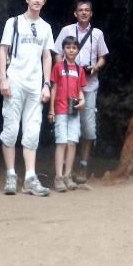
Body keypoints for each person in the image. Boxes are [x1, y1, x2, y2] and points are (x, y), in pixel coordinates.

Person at [0, 0, 53, 196]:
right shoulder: (13, 23)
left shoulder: (46, 28)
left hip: (34, 85)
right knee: (11, 129)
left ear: (44, 1)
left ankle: (30, 177)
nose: (37, 0)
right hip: (15, 81)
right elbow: (3, 51)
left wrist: (46, 84)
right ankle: (11, 175)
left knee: (32, 131)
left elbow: (47, 56)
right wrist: (3, 79)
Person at [54, 0, 109, 183]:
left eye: (87, 10)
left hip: (89, 86)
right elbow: (57, 54)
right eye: (80, 10)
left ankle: (82, 165)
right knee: (65, 124)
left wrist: (96, 67)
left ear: (91, 13)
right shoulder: (67, 31)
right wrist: (63, 74)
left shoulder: (98, 34)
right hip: (68, 87)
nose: (84, 13)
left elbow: (102, 57)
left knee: (87, 127)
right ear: (75, 13)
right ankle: (62, 169)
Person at [47, 35, 87, 191]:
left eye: (74, 47)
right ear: (63, 50)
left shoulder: (79, 69)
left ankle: (67, 175)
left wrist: (82, 101)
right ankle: (58, 176)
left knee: (72, 143)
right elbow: (54, 88)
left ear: (77, 50)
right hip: (61, 110)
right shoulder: (58, 67)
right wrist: (51, 110)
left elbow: (80, 91)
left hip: (74, 111)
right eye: (68, 47)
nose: (71, 50)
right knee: (61, 142)